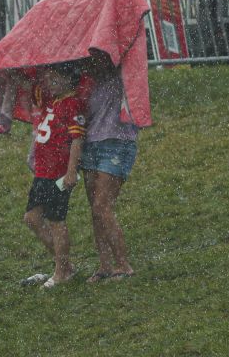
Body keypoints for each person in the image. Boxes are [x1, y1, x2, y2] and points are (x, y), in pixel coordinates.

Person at [15, 63, 87, 289]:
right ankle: (64, 266)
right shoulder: (50, 100)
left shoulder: (73, 103)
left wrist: (71, 171)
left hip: (58, 174)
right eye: (50, 80)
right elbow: (30, 85)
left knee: (57, 222)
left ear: (68, 80)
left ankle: (62, 271)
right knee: (32, 218)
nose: (50, 83)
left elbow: (77, 139)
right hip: (42, 173)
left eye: (56, 80)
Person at [77, 51, 138, 283]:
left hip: (117, 142)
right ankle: (104, 266)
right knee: (95, 209)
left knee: (102, 205)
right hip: (90, 145)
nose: (93, 61)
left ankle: (123, 265)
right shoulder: (86, 83)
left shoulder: (122, 75)